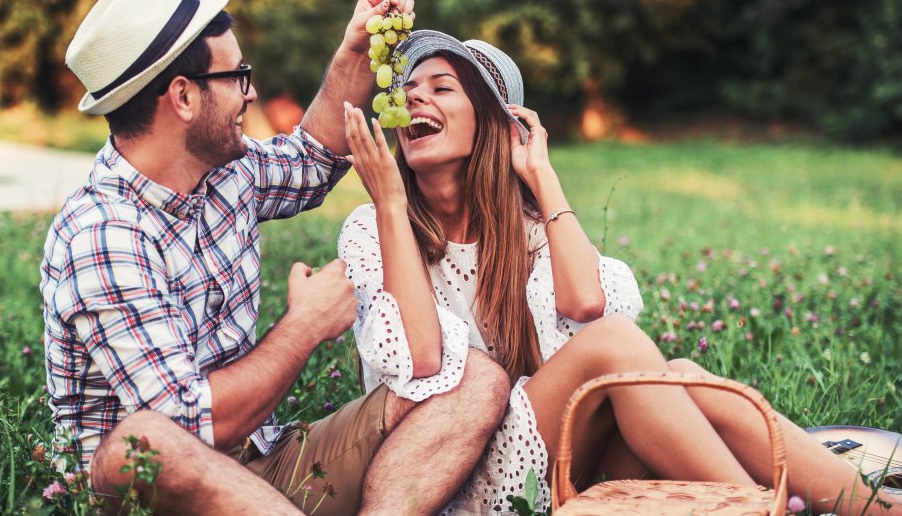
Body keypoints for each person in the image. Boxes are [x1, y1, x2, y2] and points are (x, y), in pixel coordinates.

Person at [338, 29, 897, 515]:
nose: (413, 96)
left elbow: (585, 303)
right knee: (620, 349)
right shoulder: (374, 227)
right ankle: (757, 510)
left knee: (680, 374)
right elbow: (423, 362)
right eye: (409, 88)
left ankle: (878, 510)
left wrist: (540, 175)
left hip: (554, 449)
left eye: (440, 88)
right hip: (454, 478)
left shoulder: (526, 230)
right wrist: (389, 199)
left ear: (493, 124)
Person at [40, 0, 511, 515]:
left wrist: (355, 49)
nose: (253, 91)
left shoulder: (223, 171)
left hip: (266, 463)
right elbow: (190, 425)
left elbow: (314, 159)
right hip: (163, 492)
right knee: (142, 443)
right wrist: (306, 325)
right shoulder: (102, 233)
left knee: (474, 379)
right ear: (184, 97)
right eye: (237, 76)